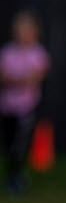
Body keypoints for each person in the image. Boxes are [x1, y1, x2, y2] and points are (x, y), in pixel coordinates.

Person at [0, 11, 50, 193]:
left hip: (26, 108)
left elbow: (35, 77)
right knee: (8, 144)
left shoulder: (38, 54)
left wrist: (16, 79)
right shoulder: (7, 51)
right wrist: (19, 79)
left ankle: (16, 177)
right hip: (6, 108)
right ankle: (11, 176)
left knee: (19, 146)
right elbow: (4, 77)